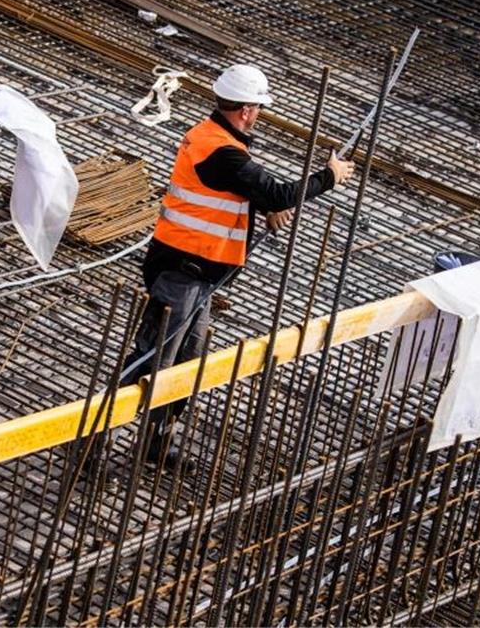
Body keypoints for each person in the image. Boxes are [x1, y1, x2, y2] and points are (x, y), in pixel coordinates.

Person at [118, 64, 356, 472]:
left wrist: (263, 208)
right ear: (247, 110)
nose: (259, 114)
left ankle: (157, 444)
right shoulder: (221, 150)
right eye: (258, 108)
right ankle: (91, 440)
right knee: (151, 362)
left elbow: (232, 192)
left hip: (199, 274)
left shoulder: (217, 141)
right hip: (181, 272)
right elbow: (277, 190)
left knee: (187, 364)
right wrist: (328, 177)